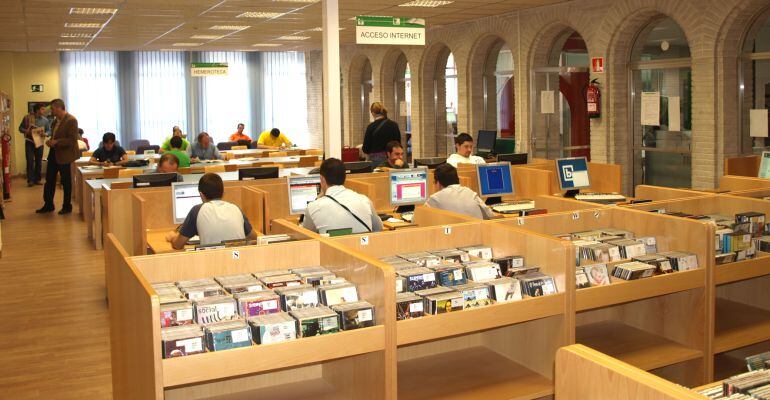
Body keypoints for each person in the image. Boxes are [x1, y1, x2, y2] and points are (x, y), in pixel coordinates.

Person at [166, 173, 258, 249]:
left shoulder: (197, 210)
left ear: (201, 195)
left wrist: (172, 237)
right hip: (237, 259)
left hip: (212, 263)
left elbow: (178, 245)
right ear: (223, 193)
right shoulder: (236, 208)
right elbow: (253, 237)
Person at [302, 158, 383, 234]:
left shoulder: (314, 207)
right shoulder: (365, 200)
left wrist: (318, 198)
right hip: (361, 248)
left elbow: (306, 236)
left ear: (322, 179)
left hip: (331, 248)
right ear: (344, 177)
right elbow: (378, 229)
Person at [37, 99, 79, 215]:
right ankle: (48, 205)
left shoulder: (71, 120)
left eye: (53, 109)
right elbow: (55, 136)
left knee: (66, 181)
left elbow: (72, 140)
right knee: (49, 180)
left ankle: (67, 206)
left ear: (60, 108)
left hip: (65, 155)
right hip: (53, 154)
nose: (52, 111)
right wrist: (50, 141)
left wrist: (56, 142)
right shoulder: (55, 121)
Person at [426, 163, 494, 220]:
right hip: (478, 233)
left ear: (438, 183)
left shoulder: (435, 199)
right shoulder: (469, 192)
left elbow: (418, 218)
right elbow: (490, 214)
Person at [19, 103, 50, 187]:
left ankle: (37, 179)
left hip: (39, 142)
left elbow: (49, 131)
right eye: (42, 109)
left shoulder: (45, 120)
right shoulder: (27, 118)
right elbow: (20, 128)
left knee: (38, 161)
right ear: (37, 110)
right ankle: (30, 180)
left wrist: (45, 134)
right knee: (29, 161)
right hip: (29, 142)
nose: (44, 110)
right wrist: (27, 131)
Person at [362, 102, 401, 167]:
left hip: (376, 160)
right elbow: (398, 144)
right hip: (392, 159)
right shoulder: (394, 125)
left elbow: (366, 149)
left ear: (373, 113)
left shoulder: (371, 127)